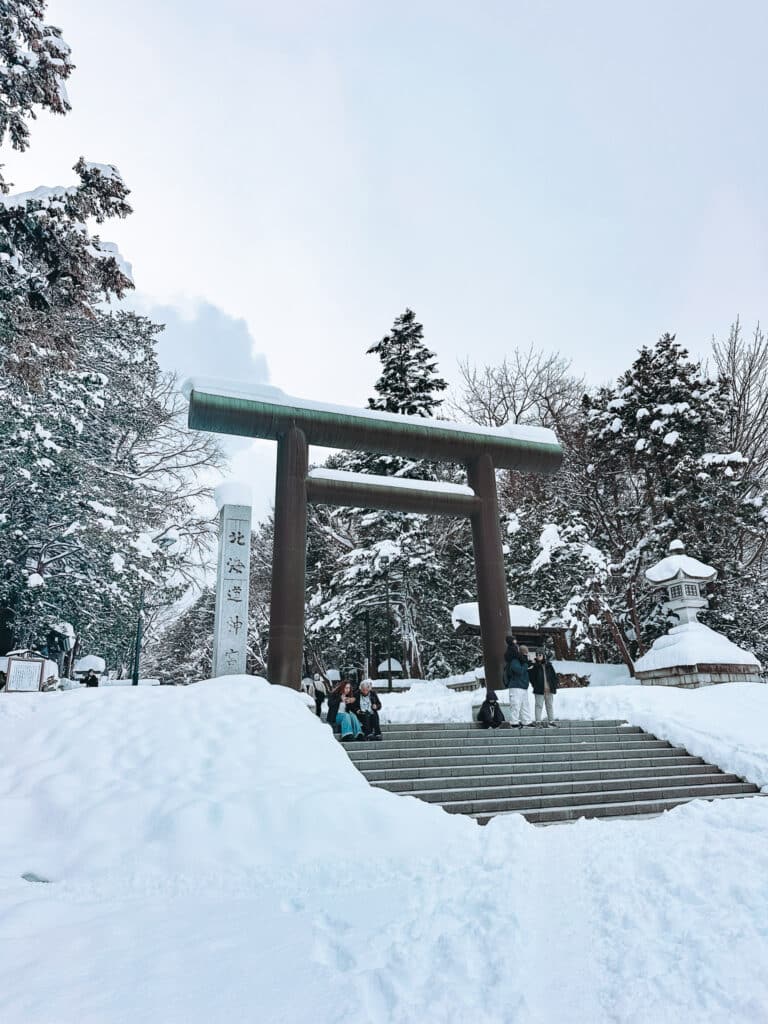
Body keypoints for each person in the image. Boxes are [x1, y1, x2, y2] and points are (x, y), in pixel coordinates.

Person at [504, 637, 531, 728]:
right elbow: (518, 670)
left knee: (525, 705)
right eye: (525, 652)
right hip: (515, 686)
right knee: (515, 705)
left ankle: (526, 721)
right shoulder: (515, 660)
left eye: (527, 652)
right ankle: (514, 722)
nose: (527, 654)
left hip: (523, 686)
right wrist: (526, 666)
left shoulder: (523, 661)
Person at [530, 652, 559, 727]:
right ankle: (538, 722)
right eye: (537, 655)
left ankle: (551, 721)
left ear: (543, 656)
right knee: (538, 705)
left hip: (549, 689)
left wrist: (554, 685)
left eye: (540, 655)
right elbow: (532, 678)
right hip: (539, 689)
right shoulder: (535, 666)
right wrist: (535, 685)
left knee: (549, 705)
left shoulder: (549, 665)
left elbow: (554, 676)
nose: (539, 656)